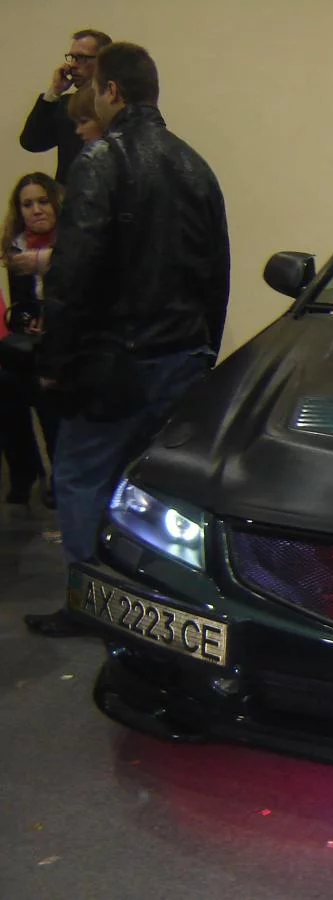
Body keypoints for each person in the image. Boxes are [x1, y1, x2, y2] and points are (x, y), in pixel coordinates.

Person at [26, 42, 231, 637]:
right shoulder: (194, 164)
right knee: (156, 488)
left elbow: (74, 272)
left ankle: (90, 605)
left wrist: (53, 359)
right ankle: (155, 604)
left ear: (112, 91)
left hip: (113, 360)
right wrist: (206, 350)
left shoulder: (101, 161)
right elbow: (216, 271)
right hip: (181, 356)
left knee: (80, 476)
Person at [1, 173, 64, 506]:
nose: (36, 210)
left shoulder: (71, 244)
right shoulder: (17, 247)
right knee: (5, 385)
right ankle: (23, 471)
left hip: (64, 344)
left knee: (46, 393)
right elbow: (19, 306)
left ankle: (58, 475)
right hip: (30, 342)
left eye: (42, 201)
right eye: (27, 205)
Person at [19, 29, 112, 184]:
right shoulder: (67, 105)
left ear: (104, 61)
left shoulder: (117, 105)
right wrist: (54, 92)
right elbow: (32, 142)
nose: (73, 65)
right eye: (72, 58)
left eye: (81, 58)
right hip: (69, 193)